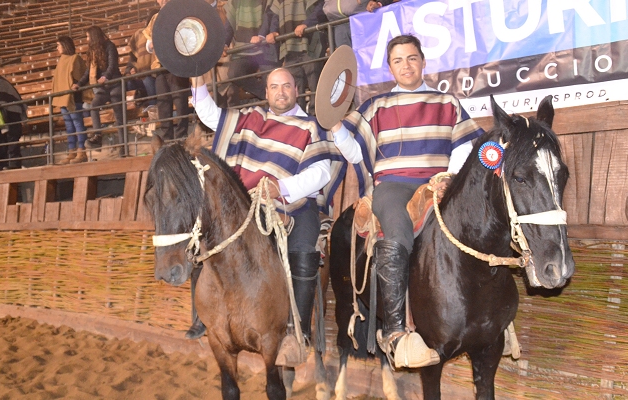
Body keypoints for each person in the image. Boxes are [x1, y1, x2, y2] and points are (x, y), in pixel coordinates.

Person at [329, 34, 485, 369]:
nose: (406, 65)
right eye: (398, 60)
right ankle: (396, 331)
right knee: (397, 232)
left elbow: (464, 148)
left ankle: (488, 319)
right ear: (390, 67)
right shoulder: (375, 106)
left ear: (423, 61)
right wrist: (337, 128)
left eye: (412, 58)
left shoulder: (448, 103)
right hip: (393, 186)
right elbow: (356, 152)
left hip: (438, 184)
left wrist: (448, 179)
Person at [190, 68, 339, 365]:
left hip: (294, 203)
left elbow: (322, 171)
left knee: (304, 251)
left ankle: (297, 333)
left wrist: (280, 188)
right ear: (267, 92)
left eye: (286, 86)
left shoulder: (312, 126)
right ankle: (202, 317)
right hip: (245, 204)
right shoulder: (250, 120)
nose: (280, 91)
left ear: (297, 90)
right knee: (203, 240)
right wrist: (197, 78)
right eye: (274, 87)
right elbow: (209, 115)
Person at [262, 0, 327, 113]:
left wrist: (307, 23)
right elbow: (275, 15)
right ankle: (298, 118)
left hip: (311, 43)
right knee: (293, 87)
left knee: (315, 83)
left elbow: (321, 6)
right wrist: (273, 31)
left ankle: (317, 117)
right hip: (289, 46)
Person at [73, 26, 125, 157]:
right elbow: (87, 71)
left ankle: (123, 147)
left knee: (119, 117)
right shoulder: (92, 51)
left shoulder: (109, 46)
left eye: (88, 37)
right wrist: (79, 83)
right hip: (103, 87)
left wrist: (105, 76)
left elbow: (113, 65)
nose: (87, 39)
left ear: (94, 36)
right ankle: (98, 136)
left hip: (114, 83)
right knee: (94, 106)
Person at [143, 0, 191, 142]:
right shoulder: (155, 18)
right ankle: (167, 139)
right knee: (163, 104)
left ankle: (182, 137)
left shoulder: (180, 14)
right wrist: (151, 45)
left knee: (180, 102)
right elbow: (148, 44)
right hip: (160, 66)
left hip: (177, 65)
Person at [223, 0, 280, 107]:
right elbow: (229, 23)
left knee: (271, 79)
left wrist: (261, 35)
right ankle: (269, 95)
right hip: (244, 48)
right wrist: (225, 43)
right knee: (234, 73)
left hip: (266, 46)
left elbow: (270, 14)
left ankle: (275, 111)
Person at [52, 36, 90, 164]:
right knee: (69, 125)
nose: (57, 48)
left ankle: (81, 151)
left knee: (77, 123)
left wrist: (77, 84)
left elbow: (81, 76)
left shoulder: (75, 58)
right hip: (62, 97)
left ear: (64, 45)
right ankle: (71, 151)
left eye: (58, 45)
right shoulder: (61, 60)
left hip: (74, 96)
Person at [127, 17, 156, 107]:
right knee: (129, 82)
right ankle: (139, 106)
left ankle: (153, 107)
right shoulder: (140, 36)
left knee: (148, 81)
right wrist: (132, 69)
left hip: (155, 75)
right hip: (141, 75)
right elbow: (131, 61)